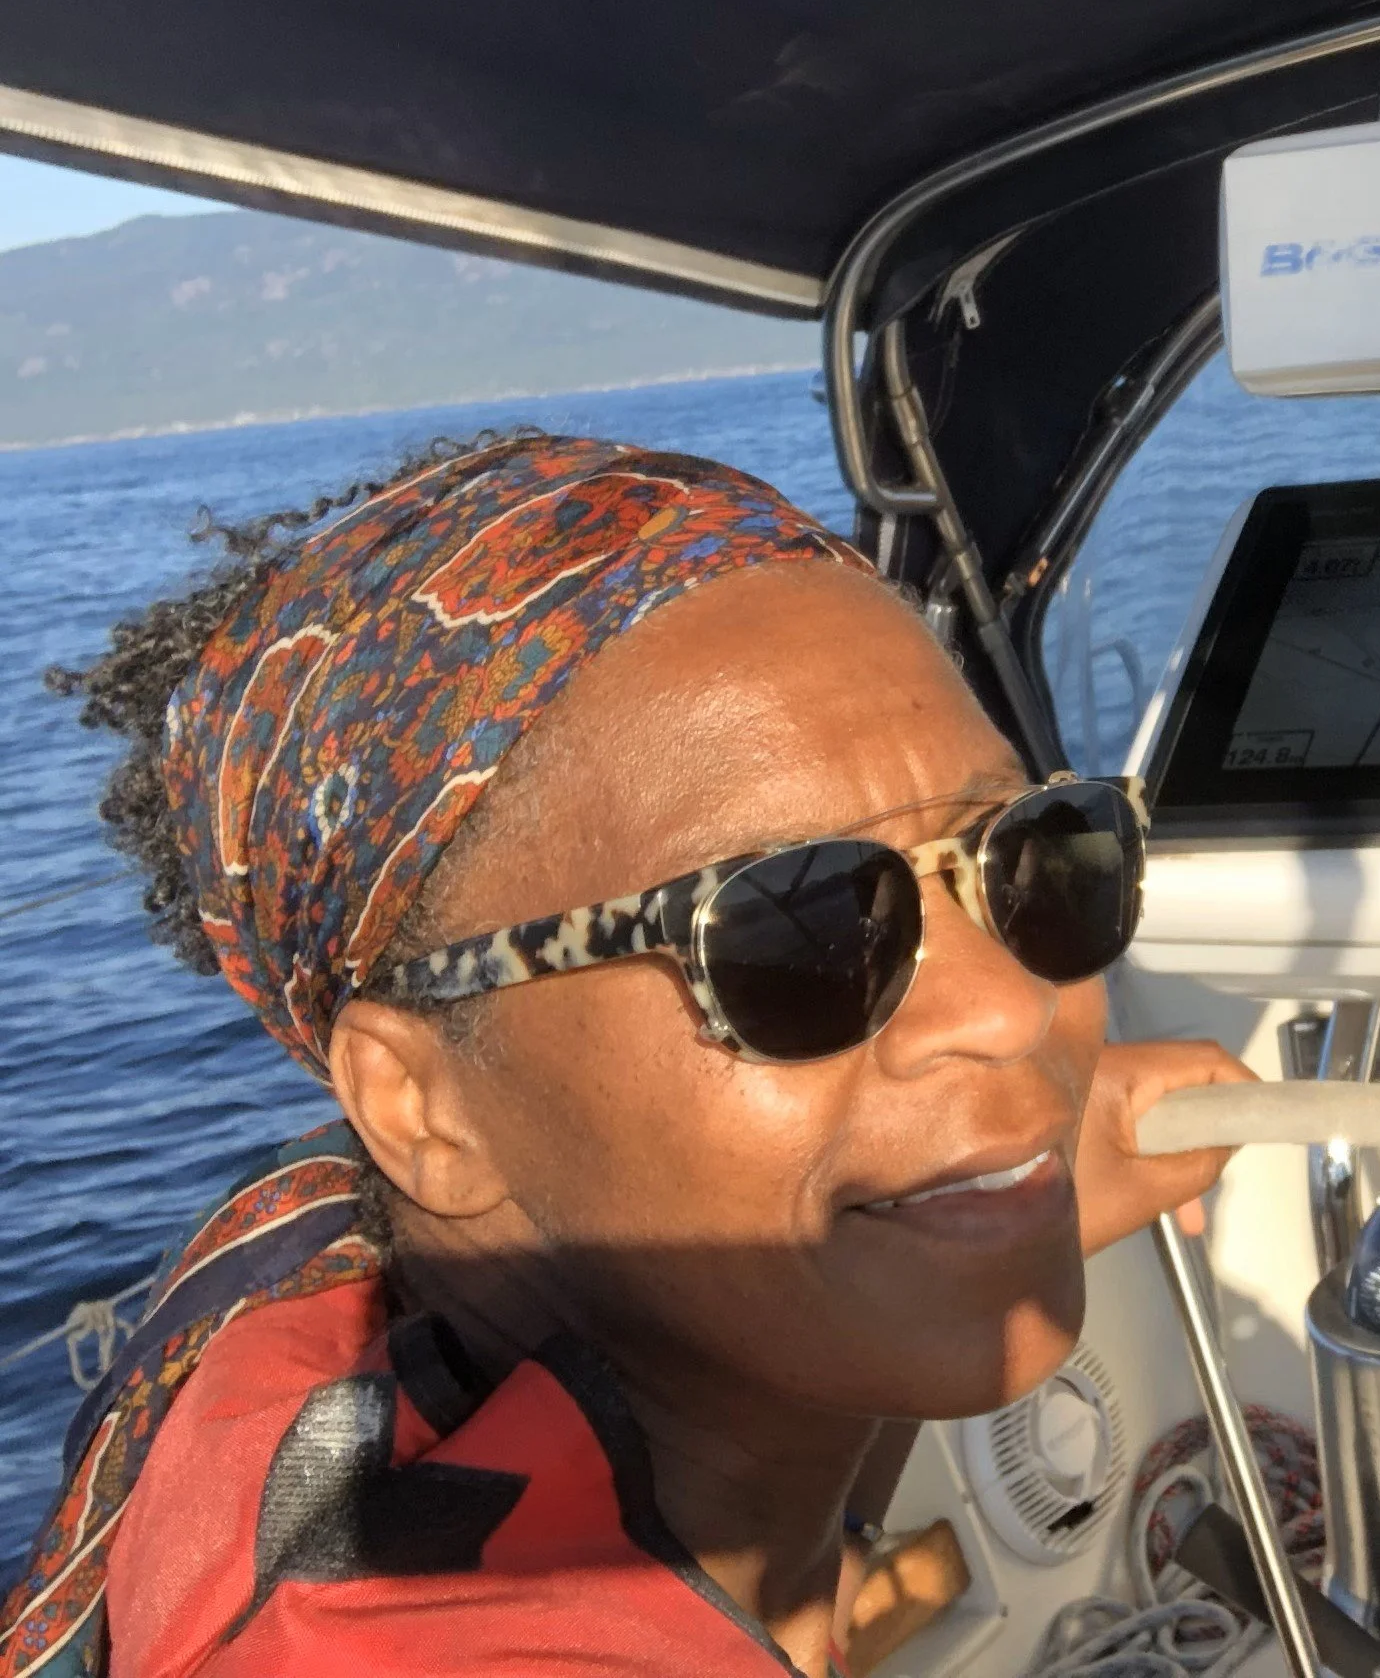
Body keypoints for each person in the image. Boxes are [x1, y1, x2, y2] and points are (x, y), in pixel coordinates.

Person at [2, 432, 1249, 1678]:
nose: (1006, 1008)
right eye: (794, 931)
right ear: (420, 1107)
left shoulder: (312, 1289)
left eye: (1028, 857)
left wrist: (985, 1185)